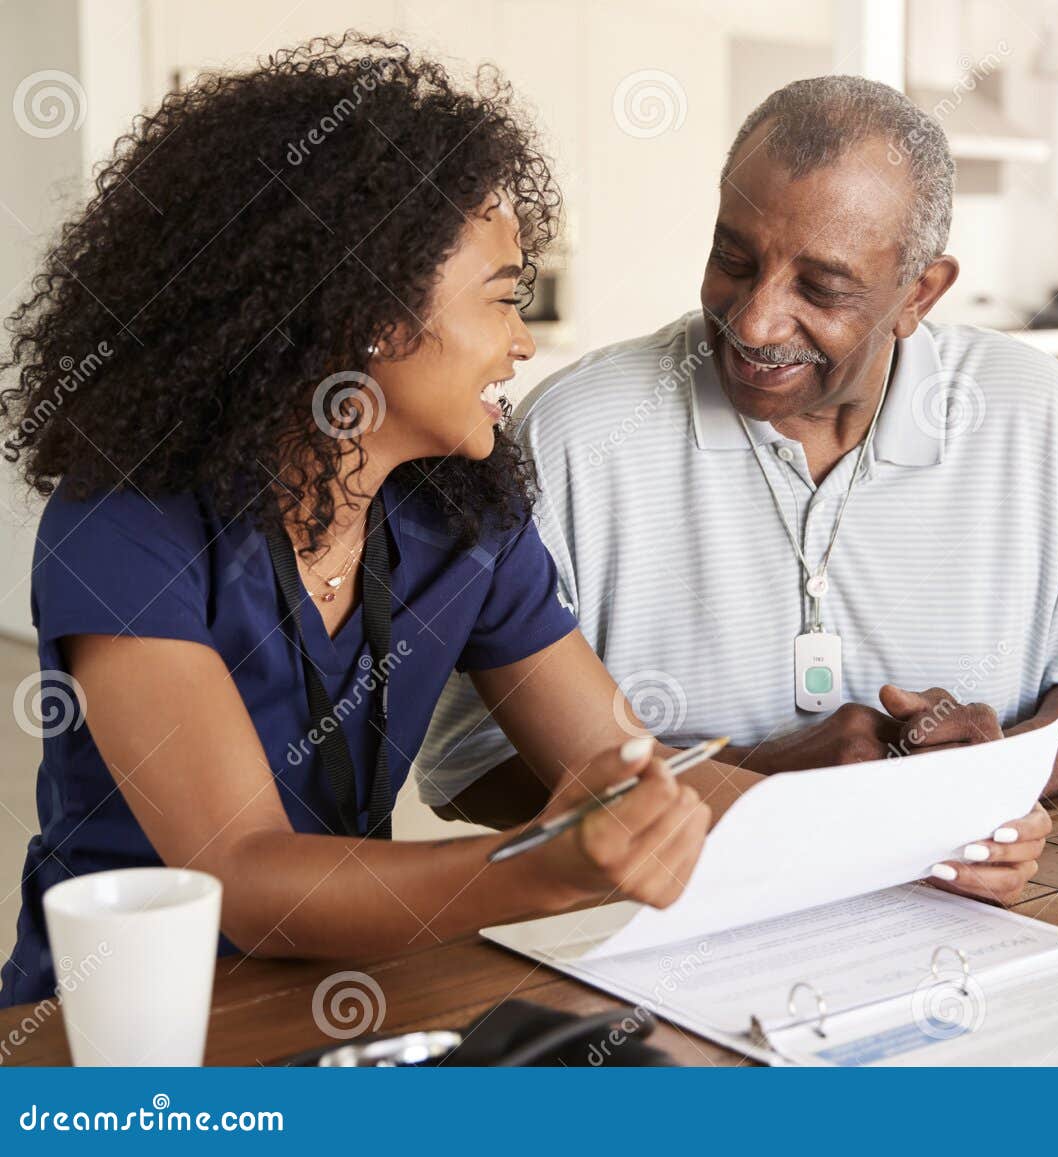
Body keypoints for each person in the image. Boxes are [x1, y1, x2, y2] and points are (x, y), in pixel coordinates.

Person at [0, 36, 738, 1008]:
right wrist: (538, 866)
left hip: (356, 998)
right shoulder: (126, 523)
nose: (522, 341)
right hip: (120, 1030)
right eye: (503, 299)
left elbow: (623, 769)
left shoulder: (467, 515)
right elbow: (250, 880)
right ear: (375, 315)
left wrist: (921, 823)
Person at [418, 77, 1058, 905]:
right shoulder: (575, 433)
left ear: (919, 293)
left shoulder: (1034, 413)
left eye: (820, 288)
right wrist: (765, 789)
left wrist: (990, 782)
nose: (753, 322)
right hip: (658, 943)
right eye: (733, 259)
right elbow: (469, 765)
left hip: (963, 930)